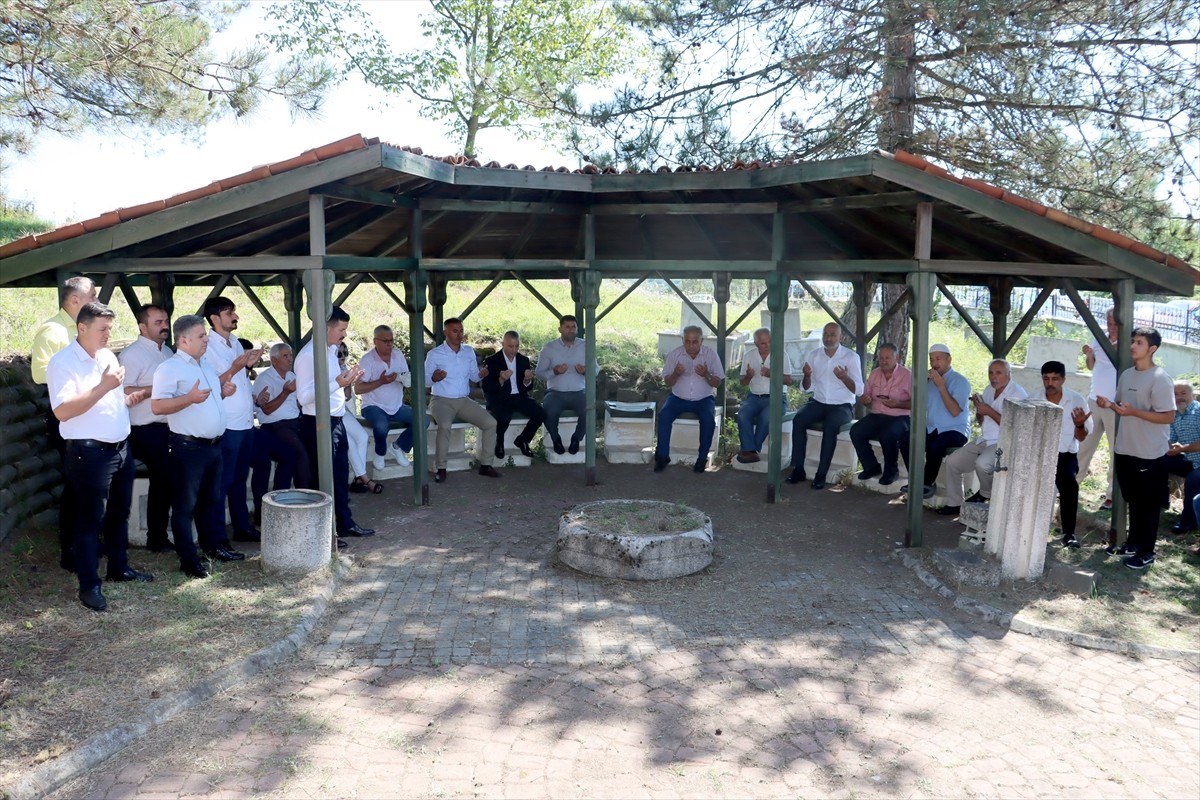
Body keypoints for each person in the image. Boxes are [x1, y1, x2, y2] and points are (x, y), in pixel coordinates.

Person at [47, 301, 154, 611]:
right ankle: (89, 585)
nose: (109, 334)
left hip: (119, 448)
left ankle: (119, 567)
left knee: (119, 513)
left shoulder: (107, 356)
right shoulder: (63, 362)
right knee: (89, 521)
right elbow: (63, 411)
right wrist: (104, 386)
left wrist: (124, 399)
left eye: (110, 328)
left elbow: (108, 398)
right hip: (89, 453)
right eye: (102, 329)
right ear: (82, 328)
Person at [151, 315, 243, 577]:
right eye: (201, 336)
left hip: (212, 446)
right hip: (188, 448)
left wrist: (222, 392)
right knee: (185, 506)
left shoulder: (204, 365)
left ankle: (211, 548)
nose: (206, 340)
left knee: (210, 501)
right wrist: (189, 398)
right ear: (183, 340)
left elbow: (206, 400)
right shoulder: (169, 368)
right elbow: (157, 406)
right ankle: (188, 559)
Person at [31, 275, 97, 571]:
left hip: (88, 413)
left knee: (89, 483)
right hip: (66, 414)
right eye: (92, 296)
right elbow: (39, 373)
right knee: (75, 485)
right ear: (74, 300)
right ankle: (70, 553)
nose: (96, 301)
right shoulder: (53, 331)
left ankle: (87, 544)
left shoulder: (86, 329)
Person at [295, 306, 375, 545]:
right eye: (341, 330)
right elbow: (303, 398)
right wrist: (337, 384)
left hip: (336, 421)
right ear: (326, 328)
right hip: (317, 424)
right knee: (321, 479)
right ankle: (323, 533)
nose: (344, 335)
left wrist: (347, 381)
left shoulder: (330, 351)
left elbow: (333, 385)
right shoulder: (308, 356)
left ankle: (344, 523)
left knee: (340, 476)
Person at [1096, 327, 1174, 570]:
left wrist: (1134, 412)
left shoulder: (1160, 378)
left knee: (1148, 505)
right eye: (1132, 341)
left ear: (1152, 349)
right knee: (1133, 501)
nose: (1132, 346)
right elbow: (1123, 407)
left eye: (1139, 342)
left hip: (1149, 453)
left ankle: (1147, 552)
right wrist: (1109, 405)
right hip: (1125, 448)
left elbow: (1168, 416)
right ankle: (1132, 544)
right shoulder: (1127, 374)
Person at [201, 297, 262, 544]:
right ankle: (217, 538)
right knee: (222, 482)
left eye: (234, 312)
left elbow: (237, 378)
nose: (235, 317)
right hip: (227, 424)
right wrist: (237, 367)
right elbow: (209, 385)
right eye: (229, 313)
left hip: (245, 422)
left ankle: (242, 528)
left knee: (239, 479)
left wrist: (246, 366)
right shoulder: (207, 347)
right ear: (215, 318)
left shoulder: (235, 342)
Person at [117, 303, 175, 552]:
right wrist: (157, 390)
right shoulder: (132, 354)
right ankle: (156, 538)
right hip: (143, 429)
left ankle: (160, 536)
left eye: (166, 321)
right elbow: (123, 390)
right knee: (165, 476)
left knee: (169, 478)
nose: (164, 326)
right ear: (142, 326)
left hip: (167, 426)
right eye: (158, 322)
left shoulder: (168, 351)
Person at [939, 359, 1027, 516]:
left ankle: (985, 494)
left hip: (1004, 441)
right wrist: (979, 410)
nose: (993, 377)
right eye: (991, 373)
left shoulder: (1018, 394)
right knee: (952, 462)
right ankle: (955, 503)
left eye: (998, 373)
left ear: (1009, 374)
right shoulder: (989, 389)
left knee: (983, 464)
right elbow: (982, 421)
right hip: (984, 439)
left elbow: (1014, 427)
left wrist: (989, 411)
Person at [787, 323, 863, 490]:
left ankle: (821, 474)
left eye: (833, 335)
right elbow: (806, 388)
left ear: (840, 337)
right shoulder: (814, 355)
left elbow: (859, 390)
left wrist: (844, 378)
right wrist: (807, 375)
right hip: (819, 402)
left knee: (830, 426)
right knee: (799, 420)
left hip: (841, 406)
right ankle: (798, 468)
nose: (828, 338)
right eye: (826, 334)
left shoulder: (851, 357)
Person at [425, 317, 501, 482]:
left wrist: (481, 374)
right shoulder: (435, 354)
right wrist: (434, 377)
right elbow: (424, 381)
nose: (459, 335)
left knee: (490, 423)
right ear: (445, 332)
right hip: (441, 400)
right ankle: (441, 467)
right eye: (455, 331)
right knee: (445, 426)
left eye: (461, 331)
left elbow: (474, 376)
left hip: (463, 400)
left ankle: (486, 464)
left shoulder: (468, 351)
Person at [899, 344, 972, 500]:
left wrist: (941, 386)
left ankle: (927, 483)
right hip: (932, 427)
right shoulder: (929, 380)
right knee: (906, 439)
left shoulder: (960, 381)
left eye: (938, 359)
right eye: (931, 359)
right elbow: (917, 404)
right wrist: (921, 384)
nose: (934, 363)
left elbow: (954, 411)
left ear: (949, 360)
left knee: (935, 445)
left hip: (955, 429)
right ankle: (916, 480)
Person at [1033, 361, 1093, 547]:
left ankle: (1069, 533)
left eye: (1055, 379)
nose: (1050, 383)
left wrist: (1079, 424)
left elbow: (1082, 437)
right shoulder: (1033, 399)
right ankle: (1031, 529)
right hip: (1038, 453)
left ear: (1063, 379)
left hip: (1065, 454)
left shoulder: (1076, 400)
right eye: (1046, 379)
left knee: (1070, 486)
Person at [250, 343, 310, 521]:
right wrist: (285, 392)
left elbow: (298, 403)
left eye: (290, 355)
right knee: (299, 454)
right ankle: (303, 503)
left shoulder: (292, 376)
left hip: (295, 422)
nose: (290, 359)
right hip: (275, 426)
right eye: (285, 356)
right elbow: (266, 410)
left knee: (306, 450)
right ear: (274, 360)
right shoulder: (265, 379)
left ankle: (289, 501)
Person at [654, 325, 725, 473]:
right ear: (683, 340)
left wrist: (706, 374)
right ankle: (662, 456)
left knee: (708, 420)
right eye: (687, 341)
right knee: (664, 416)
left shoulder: (711, 355)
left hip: (703, 399)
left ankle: (702, 459)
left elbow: (717, 383)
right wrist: (676, 374)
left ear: (701, 341)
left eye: (695, 341)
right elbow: (668, 382)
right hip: (678, 398)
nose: (691, 345)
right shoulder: (675, 355)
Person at [355, 324, 420, 471]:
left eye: (391, 340)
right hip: (373, 406)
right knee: (381, 426)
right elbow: (358, 389)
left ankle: (398, 447)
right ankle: (380, 453)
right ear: (375, 341)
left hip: (396, 406)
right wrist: (381, 381)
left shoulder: (398, 355)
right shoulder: (367, 360)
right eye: (385, 341)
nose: (389, 344)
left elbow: (406, 377)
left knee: (423, 420)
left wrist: (402, 379)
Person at [849, 342, 911, 486]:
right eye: (881, 358)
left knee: (888, 435)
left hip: (900, 417)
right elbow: (866, 398)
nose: (884, 361)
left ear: (897, 358)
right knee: (856, 431)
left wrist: (899, 404)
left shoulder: (907, 375)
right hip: (877, 415)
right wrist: (865, 400)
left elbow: (917, 403)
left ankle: (891, 472)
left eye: (888, 358)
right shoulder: (875, 373)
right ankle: (871, 467)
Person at [1078, 308, 1119, 510]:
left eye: (1115, 323)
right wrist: (1089, 354)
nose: (1111, 326)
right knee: (1084, 445)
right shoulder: (1099, 337)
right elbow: (1091, 366)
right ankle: (1072, 485)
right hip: (1094, 400)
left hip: (1115, 404)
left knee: (1115, 450)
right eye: (1109, 322)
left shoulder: (1130, 342)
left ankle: (1112, 495)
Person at [536, 315, 595, 454]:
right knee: (548, 412)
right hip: (555, 392)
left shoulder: (586, 346)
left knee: (589, 411)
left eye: (573, 327)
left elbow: (596, 370)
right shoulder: (549, 347)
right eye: (567, 327)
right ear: (560, 329)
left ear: (577, 329)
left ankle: (576, 439)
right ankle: (556, 439)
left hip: (579, 392)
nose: (571, 330)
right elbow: (539, 373)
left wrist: (586, 371)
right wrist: (554, 372)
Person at [482, 330, 546, 459]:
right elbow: (487, 388)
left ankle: (523, 440)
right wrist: (501, 380)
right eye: (510, 346)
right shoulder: (492, 360)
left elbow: (527, 388)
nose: (514, 350)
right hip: (499, 398)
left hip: (520, 397)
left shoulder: (523, 360)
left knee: (541, 413)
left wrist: (527, 380)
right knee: (504, 416)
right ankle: (499, 441)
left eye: (517, 346)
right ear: (503, 344)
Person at [735, 328, 794, 464]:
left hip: (777, 398)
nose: (767, 345)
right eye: (763, 343)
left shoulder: (781, 355)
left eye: (770, 341)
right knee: (743, 414)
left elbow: (789, 381)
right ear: (756, 343)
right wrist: (748, 376)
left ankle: (750, 450)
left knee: (767, 416)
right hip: (754, 397)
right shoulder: (749, 355)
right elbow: (743, 382)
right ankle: (750, 450)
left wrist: (772, 374)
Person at [338, 342, 381, 494]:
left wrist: (349, 383)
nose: (343, 357)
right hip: (328, 414)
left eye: (345, 353)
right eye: (339, 354)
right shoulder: (329, 369)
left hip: (342, 411)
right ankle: (365, 479)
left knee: (363, 437)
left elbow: (348, 396)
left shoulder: (344, 368)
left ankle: (358, 479)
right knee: (349, 443)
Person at [1164, 381, 1200, 534]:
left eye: (1183, 393)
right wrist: (1170, 447)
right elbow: (1170, 439)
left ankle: (1188, 522)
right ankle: (1160, 500)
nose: (1179, 397)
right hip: (1190, 459)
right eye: (1175, 394)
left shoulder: (1198, 412)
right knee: (1158, 461)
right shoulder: (1175, 414)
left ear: (1193, 395)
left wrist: (1182, 449)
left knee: (1194, 479)